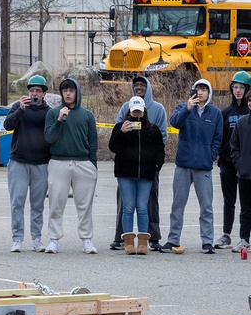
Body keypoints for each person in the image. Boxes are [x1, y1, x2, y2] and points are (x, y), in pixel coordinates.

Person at [163, 79, 223, 254]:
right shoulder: (183, 107)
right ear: (193, 91)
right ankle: (173, 239)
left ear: (209, 93)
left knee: (206, 206)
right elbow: (174, 123)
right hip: (183, 164)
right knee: (177, 204)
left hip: (203, 167)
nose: (201, 92)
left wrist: (210, 156)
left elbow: (218, 138)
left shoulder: (215, 113)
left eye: (204, 89)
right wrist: (187, 109)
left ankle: (207, 241)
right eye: (198, 89)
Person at [110, 76, 168, 252]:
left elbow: (160, 145)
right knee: (127, 207)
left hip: (146, 173)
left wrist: (157, 165)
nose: (136, 114)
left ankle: (145, 241)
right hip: (125, 173)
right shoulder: (122, 124)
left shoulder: (153, 127)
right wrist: (121, 131)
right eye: (133, 111)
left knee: (144, 207)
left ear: (144, 110)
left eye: (139, 111)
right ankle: (126, 241)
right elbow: (113, 146)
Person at [43, 78, 99, 254]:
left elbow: (93, 142)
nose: (67, 93)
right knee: (56, 203)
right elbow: (49, 138)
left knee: (84, 205)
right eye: (64, 90)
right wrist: (59, 120)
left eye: (71, 90)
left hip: (83, 163)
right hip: (58, 162)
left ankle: (87, 240)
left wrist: (93, 166)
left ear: (77, 92)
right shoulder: (53, 113)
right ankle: (54, 239)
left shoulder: (87, 115)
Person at [3, 74, 52, 253]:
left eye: (38, 91)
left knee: (37, 204)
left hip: (41, 163)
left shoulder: (49, 112)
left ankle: (37, 239)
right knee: (17, 202)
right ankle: (17, 239)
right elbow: (7, 125)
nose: (34, 94)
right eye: (31, 90)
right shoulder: (19, 106)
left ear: (44, 93)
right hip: (19, 161)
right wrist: (21, 110)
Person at [215, 71, 251, 250]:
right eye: (236, 87)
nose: (238, 91)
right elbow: (221, 138)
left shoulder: (248, 111)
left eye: (242, 87)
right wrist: (221, 158)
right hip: (229, 164)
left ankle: (245, 237)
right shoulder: (225, 113)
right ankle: (226, 235)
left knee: (247, 204)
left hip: (246, 167)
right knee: (229, 201)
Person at [227, 102, 251, 254]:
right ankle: (244, 240)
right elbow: (234, 146)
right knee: (246, 210)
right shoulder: (241, 123)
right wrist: (240, 165)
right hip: (245, 175)